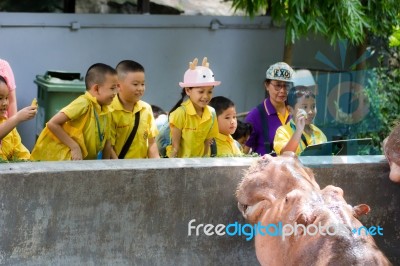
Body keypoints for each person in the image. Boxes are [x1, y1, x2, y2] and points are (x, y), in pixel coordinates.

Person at [31, 63, 118, 161]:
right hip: (62, 160)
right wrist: (74, 146)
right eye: (112, 88)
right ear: (96, 89)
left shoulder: (107, 110)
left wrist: (107, 166)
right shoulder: (83, 103)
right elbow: (53, 123)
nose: (116, 93)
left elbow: (107, 142)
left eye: (116, 88)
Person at [166, 57, 220, 158]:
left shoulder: (211, 113)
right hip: (182, 166)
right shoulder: (180, 114)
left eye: (210, 91)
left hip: (201, 166)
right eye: (201, 91)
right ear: (187, 90)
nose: (206, 96)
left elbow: (207, 143)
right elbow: (175, 147)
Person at [110, 60, 159, 159]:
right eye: (135, 84)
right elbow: (108, 147)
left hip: (143, 169)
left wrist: (157, 166)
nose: (140, 88)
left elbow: (151, 143)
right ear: (118, 86)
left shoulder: (146, 109)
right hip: (119, 169)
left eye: (143, 84)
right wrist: (118, 169)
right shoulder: (109, 110)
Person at [244, 62, 294, 156]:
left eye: (286, 85)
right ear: (267, 85)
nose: (283, 90)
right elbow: (243, 153)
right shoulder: (255, 116)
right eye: (278, 85)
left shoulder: (294, 112)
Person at [273, 86, 327, 155]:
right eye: (305, 107)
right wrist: (298, 131)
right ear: (290, 110)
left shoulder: (318, 133)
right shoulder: (282, 131)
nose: (310, 112)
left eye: (313, 106)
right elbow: (285, 155)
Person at [0, 76, 37, 161]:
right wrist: (17, 117)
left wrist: (30, 164)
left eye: (7, 98)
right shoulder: (11, 122)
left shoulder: (9, 125)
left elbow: (20, 151)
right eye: (0, 98)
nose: (5, 103)